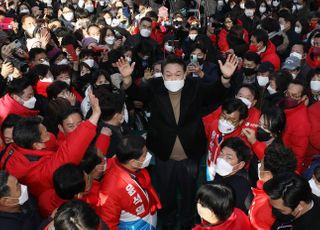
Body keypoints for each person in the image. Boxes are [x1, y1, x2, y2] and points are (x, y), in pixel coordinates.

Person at [118, 54, 238, 228]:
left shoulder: (195, 86)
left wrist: (226, 77)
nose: (173, 78)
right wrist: (127, 78)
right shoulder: (154, 86)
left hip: (190, 153)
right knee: (165, 194)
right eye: (168, 74)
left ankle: (187, 222)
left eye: (177, 74)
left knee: (189, 194)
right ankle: (168, 222)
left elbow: (215, 93)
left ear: (184, 74)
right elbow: (137, 94)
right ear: (163, 75)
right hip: (163, 153)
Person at [0, 91, 101, 197]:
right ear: (37, 145)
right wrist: (95, 116)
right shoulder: (37, 173)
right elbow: (67, 155)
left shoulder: (18, 148)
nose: (49, 134)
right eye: (45, 133)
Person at [98, 135, 161, 229]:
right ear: (133, 162)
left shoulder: (135, 168)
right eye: (145, 155)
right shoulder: (111, 190)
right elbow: (108, 224)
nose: (148, 156)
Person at [203, 98, 248, 182]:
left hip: (225, 176)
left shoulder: (241, 141)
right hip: (209, 167)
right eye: (223, 116)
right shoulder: (214, 124)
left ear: (241, 121)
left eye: (232, 120)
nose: (225, 122)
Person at [213, 137, 252, 212]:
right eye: (221, 154)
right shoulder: (222, 173)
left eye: (229, 158)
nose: (221, 160)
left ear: (240, 165)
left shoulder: (239, 186)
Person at [282, 79, 311, 173]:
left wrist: (294, 174)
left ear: (303, 98)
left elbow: (298, 154)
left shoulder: (301, 122)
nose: (289, 98)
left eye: (294, 96)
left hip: (284, 165)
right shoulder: (282, 105)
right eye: (287, 94)